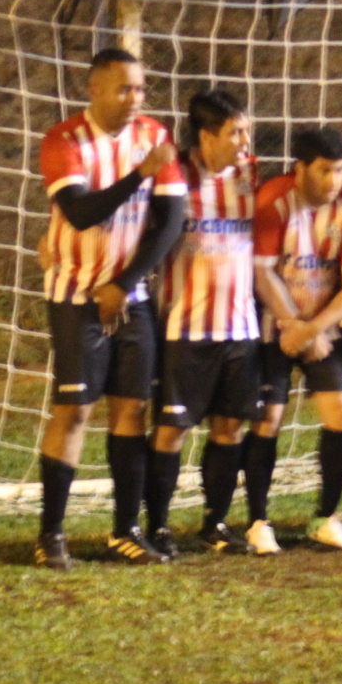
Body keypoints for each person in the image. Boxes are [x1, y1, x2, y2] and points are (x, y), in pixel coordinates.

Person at [34, 47, 186, 569]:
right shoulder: (63, 141)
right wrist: (140, 174)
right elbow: (78, 213)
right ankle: (51, 534)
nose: (134, 99)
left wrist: (125, 283)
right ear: (95, 90)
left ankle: (125, 531)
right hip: (75, 296)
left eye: (140, 89)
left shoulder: (155, 136)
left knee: (131, 410)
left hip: (130, 297)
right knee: (74, 410)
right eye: (124, 88)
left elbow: (170, 221)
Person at [145, 88, 264, 557]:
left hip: (242, 330)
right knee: (172, 430)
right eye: (235, 132)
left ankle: (214, 523)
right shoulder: (175, 176)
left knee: (230, 427)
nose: (244, 140)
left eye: (246, 130)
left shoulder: (251, 176)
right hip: (185, 328)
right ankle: (156, 525)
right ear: (206, 135)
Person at [247, 126, 342, 554]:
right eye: (325, 170)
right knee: (269, 417)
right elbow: (262, 272)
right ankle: (257, 521)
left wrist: (313, 329)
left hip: (318, 329)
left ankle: (325, 516)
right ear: (301, 169)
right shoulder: (274, 200)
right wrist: (294, 325)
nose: (334, 181)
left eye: (340, 171)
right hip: (272, 327)